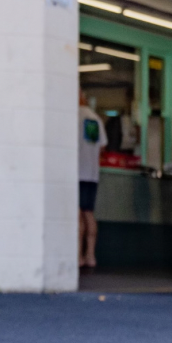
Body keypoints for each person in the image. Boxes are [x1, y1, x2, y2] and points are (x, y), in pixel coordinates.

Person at [78, 90, 109, 269]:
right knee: (89, 212)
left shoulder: (73, 117)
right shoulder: (95, 118)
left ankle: (78, 256)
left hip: (76, 172)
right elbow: (103, 147)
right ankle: (90, 255)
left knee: (77, 215)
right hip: (92, 174)